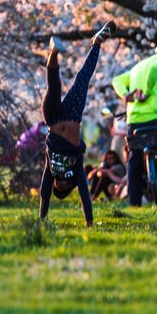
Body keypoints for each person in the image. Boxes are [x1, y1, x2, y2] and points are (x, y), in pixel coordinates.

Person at [39, 22, 114, 226]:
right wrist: (89, 222)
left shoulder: (51, 170)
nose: (62, 183)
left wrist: (41, 220)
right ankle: (97, 43)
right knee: (82, 79)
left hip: (52, 119)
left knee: (53, 86)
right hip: (72, 115)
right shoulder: (76, 167)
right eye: (65, 186)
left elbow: (44, 194)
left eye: (58, 186)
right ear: (70, 183)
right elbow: (84, 194)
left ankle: (53, 52)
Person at [112, 39, 157, 206]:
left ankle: (134, 202)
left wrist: (125, 95)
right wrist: (147, 92)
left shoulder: (137, 67)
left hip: (135, 119)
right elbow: (155, 68)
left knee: (134, 159)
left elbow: (117, 80)